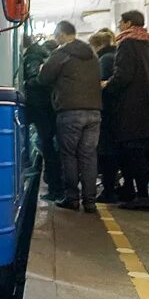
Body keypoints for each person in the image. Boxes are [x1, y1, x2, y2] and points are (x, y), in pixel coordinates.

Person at [104, 10, 149, 211]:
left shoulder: (127, 43)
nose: (119, 25)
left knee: (134, 155)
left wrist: (107, 85)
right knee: (145, 154)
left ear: (128, 23)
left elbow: (123, 75)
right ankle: (147, 193)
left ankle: (141, 197)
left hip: (133, 109)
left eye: (121, 22)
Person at [38, 21, 102, 212]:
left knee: (69, 156)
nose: (56, 38)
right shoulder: (92, 54)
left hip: (70, 111)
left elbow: (44, 78)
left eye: (56, 35)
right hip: (94, 112)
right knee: (89, 156)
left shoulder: (62, 53)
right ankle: (90, 202)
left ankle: (72, 198)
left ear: (62, 34)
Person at [21, 38, 64, 201]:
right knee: (50, 147)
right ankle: (56, 187)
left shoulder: (32, 57)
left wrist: (24, 83)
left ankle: (55, 189)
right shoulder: (43, 54)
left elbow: (34, 80)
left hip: (38, 107)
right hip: (47, 107)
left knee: (47, 147)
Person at [89, 29, 121, 202]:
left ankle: (109, 190)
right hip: (120, 113)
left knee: (106, 152)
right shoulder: (118, 56)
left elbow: (100, 85)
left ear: (98, 45)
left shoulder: (104, 60)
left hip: (107, 113)